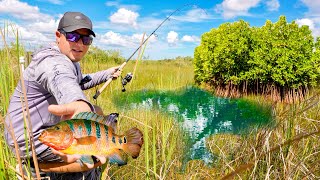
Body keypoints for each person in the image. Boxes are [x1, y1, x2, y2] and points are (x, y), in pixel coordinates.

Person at [4, 11, 121, 179]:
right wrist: (80, 104)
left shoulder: (71, 61)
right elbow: (61, 78)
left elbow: (80, 82)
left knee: (97, 110)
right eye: (73, 36)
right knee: (94, 156)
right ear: (58, 35)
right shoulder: (51, 61)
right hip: (30, 138)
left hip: (43, 127)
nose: (80, 44)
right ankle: (38, 170)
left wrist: (108, 73)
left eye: (86, 39)